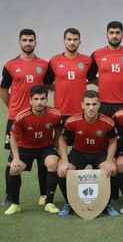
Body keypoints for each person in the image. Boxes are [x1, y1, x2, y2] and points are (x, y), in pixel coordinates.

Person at [87, 21, 123, 201]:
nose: (115, 35)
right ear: (107, 35)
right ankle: (105, 189)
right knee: (103, 146)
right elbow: (89, 76)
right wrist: (103, 85)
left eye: (118, 33)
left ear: (122, 35)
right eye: (112, 33)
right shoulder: (97, 54)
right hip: (104, 106)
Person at [0, 29, 49, 206]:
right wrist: (13, 108)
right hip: (16, 118)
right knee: (12, 159)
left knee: (44, 155)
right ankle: (10, 196)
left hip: (38, 118)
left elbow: (50, 86)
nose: (27, 43)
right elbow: (3, 89)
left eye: (31, 40)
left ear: (36, 42)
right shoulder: (10, 65)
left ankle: (45, 195)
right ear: (19, 42)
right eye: (24, 40)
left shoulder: (44, 65)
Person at [57, 90, 119, 217]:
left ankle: (107, 205)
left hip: (99, 153)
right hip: (79, 153)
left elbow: (113, 142)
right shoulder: (71, 121)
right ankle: (69, 204)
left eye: (94, 104)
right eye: (88, 104)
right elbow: (62, 140)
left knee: (112, 170)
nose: (91, 108)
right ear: (82, 105)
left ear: (99, 105)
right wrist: (64, 161)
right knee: (63, 171)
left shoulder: (108, 122)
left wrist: (108, 160)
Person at [4, 85, 61, 215]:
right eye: (36, 99)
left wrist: (55, 147)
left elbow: (58, 132)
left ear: (47, 100)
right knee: (14, 169)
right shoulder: (21, 116)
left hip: (45, 148)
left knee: (53, 163)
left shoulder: (55, 115)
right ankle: (15, 204)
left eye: (42, 99)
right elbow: (13, 138)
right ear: (30, 100)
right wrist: (16, 158)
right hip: (25, 149)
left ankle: (49, 202)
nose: (39, 102)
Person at [44, 28, 92, 145]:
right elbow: (46, 82)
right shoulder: (54, 61)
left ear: (80, 42)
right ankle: (59, 163)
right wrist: (59, 87)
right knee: (59, 140)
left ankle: (78, 163)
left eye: (75, 40)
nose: (72, 42)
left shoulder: (87, 61)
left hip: (81, 111)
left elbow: (92, 78)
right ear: (64, 41)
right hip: (61, 111)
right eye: (69, 39)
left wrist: (80, 83)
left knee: (82, 142)